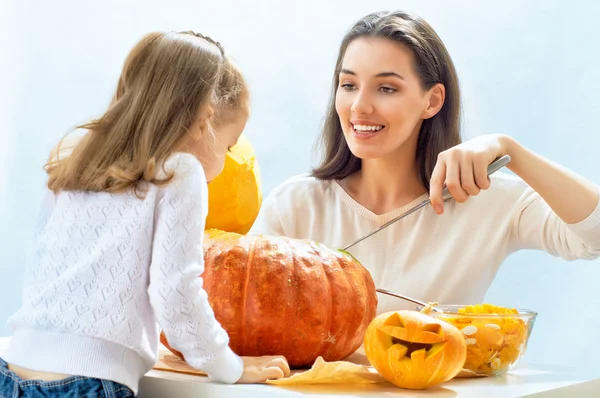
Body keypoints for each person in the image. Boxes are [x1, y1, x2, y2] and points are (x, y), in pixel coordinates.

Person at [250, 11, 600, 314]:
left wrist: (511, 150)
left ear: (432, 101)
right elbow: (241, 308)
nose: (359, 106)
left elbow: (594, 236)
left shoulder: (486, 200)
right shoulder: (296, 206)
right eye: (349, 84)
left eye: (386, 88)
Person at [0, 30, 289, 398]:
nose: (228, 158)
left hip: (13, 372)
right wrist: (228, 365)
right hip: (89, 381)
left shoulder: (74, 155)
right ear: (205, 119)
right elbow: (176, 292)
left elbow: (41, 264)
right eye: (230, 145)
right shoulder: (181, 171)